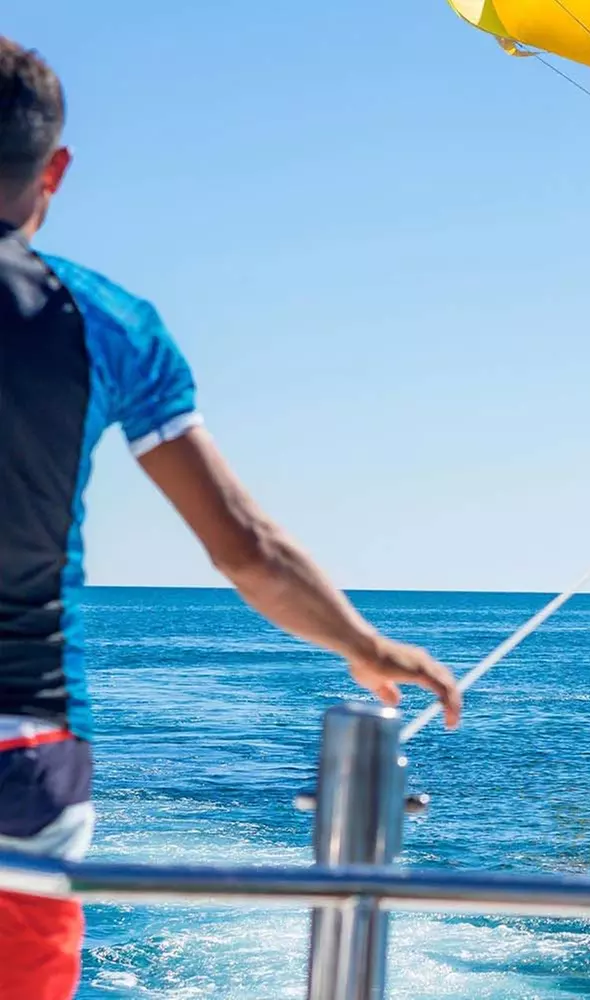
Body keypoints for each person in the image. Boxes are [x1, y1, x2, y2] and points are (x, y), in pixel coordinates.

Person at [0, 37, 463, 999]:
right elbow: (245, 548)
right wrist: (365, 644)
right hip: (28, 760)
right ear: (56, 171)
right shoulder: (110, 324)